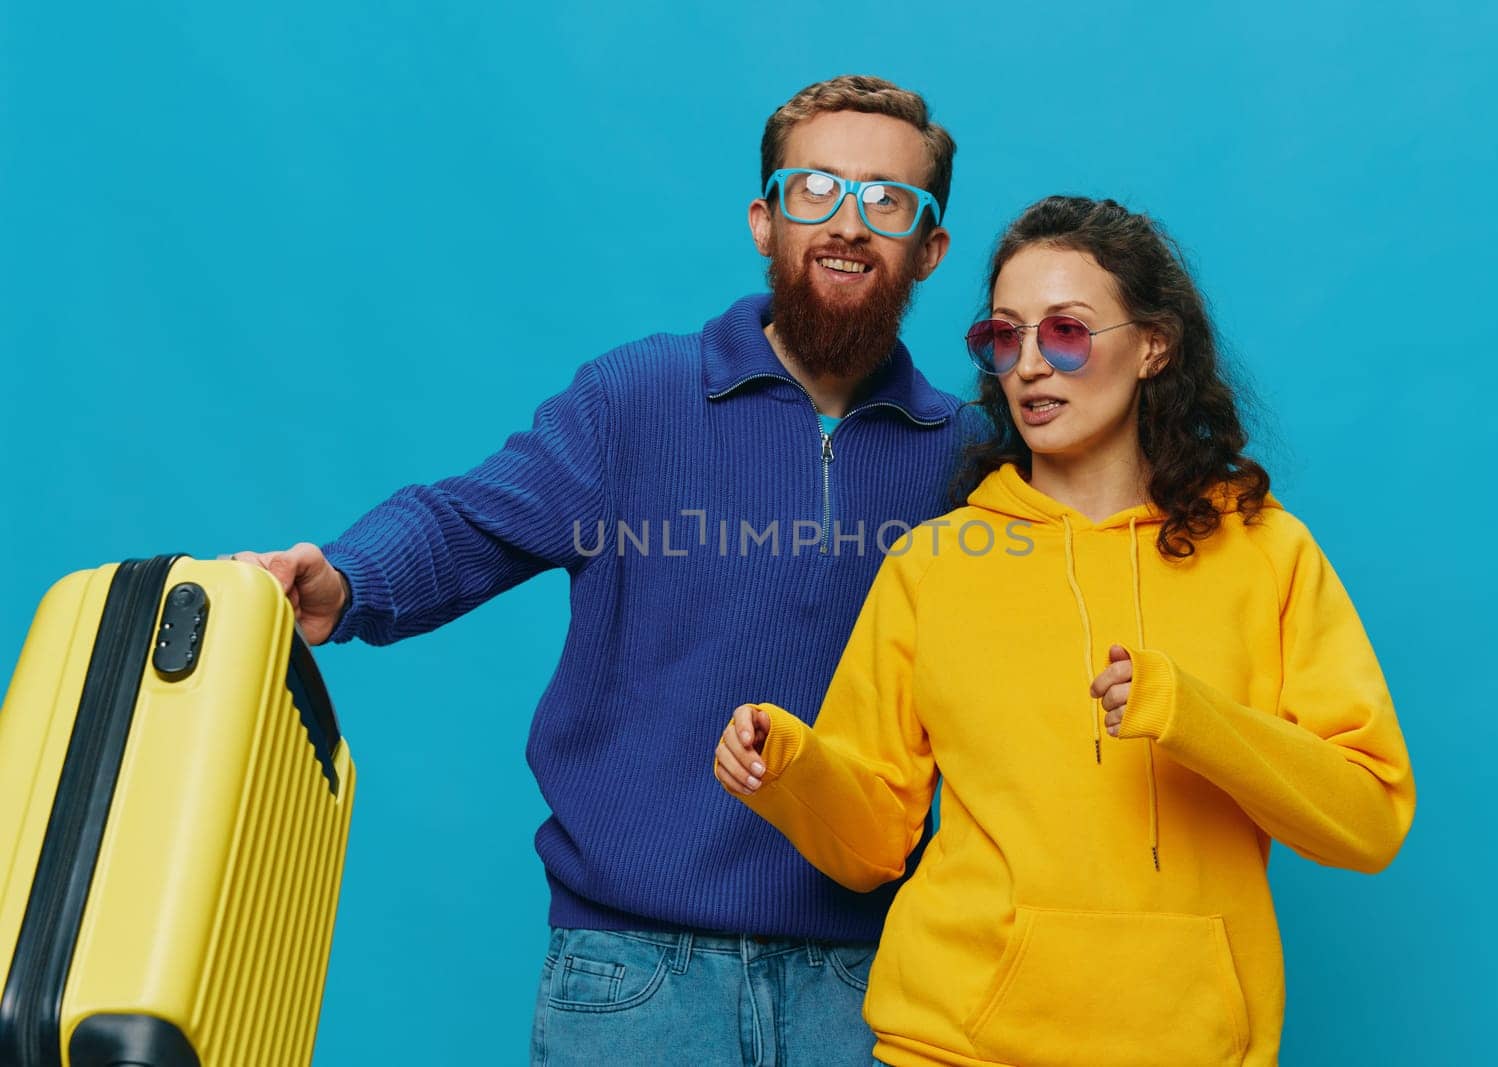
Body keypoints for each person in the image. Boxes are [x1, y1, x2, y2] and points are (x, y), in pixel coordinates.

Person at [230, 75, 968, 1066]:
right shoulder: (638, 398)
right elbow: (472, 517)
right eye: (813, 190)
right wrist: (349, 576)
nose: (845, 222)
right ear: (763, 221)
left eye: (886, 199)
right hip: (635, 977)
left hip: (876, 980)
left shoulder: (968, 461)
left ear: (929, 247)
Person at [715, 195, 1416, 1067]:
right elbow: (871, 845)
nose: (1033, 367)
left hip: (1190, 1046)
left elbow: (1370, 816)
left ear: (1153, 345)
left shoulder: (1265, 549)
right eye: (1005, 339)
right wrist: (789, 766)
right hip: (955, 1044)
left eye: (1069, 333)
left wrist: (1193, 716)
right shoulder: (938, 562)